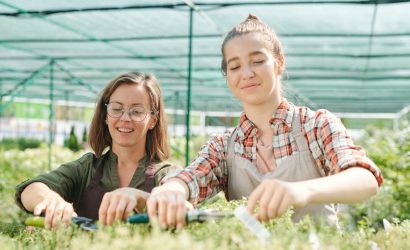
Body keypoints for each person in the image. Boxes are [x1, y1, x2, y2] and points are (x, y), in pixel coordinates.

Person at [146, 14, 383, 229]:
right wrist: (171, 190)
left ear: (279, 63)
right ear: (227, 76)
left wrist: (300, 191)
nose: (247, 73)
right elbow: (192, 177)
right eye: (235, 66)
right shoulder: (223, 147)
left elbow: (364, 179)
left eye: (257, 61)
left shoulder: (316, 125)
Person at [15, 72, 179, 229]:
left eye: (137, 111)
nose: (125, 118)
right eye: (116, 109)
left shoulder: (165, 174)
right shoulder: (86, 168)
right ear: (106, 116)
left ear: (152, 120)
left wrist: (140, 198)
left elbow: (177, 199)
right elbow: (30, 190)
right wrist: (51, 201)